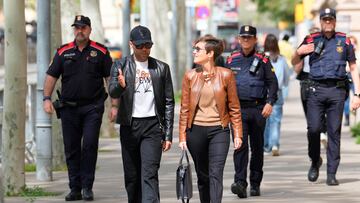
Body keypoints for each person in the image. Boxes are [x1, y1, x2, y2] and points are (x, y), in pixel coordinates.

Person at [43, 15, 113, 201]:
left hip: (93, 107)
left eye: (83, 27)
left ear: (90, 29)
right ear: (74, 30)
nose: (79, 31)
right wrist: (46, 98)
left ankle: (87, 187)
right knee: (72, 148)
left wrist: (114, 105)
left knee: (89, 146)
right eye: (77, 28)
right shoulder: (63, 52)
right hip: (69, 109)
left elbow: (110, 79)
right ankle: (75, 188)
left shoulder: (101, 52)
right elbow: (51, 76)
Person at [292, 8, 360, 186]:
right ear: (320, 22)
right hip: (316, 90)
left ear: (335, 21)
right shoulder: (311, 39)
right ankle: (315, 161)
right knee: (313, 129)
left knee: (334, 133)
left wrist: (357, 95)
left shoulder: (344, 40)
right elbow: (294, 62)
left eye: (330, 19)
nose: (327, 22)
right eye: (325, 19)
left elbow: (353, 68)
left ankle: (332, 173)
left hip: (337, 92)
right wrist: (298, 53)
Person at [108, 25, 175, 203]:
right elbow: (112, 93)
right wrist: (120, 86)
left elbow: (169, 102)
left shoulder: (162, 68)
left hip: (152, 127)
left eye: (148, 45)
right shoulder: (120, 65)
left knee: (149, 173)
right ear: (131, 44)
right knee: (132, 177)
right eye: (140, 46)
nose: (145, 49)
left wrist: (168, 134)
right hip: (129, 127)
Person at [178, 35, 242, 203]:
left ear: (210, 53)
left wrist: (237, 134)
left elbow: (234, 107)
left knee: (215, 174)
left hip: (219, 131)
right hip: (195, 132)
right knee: (203, 176)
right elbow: (184, 109)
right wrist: (182, 136)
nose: (194, 52)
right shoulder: (190, 76)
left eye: (198, 49)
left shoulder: (226, 75)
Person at [226, 25, 278, 198]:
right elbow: (224, 86)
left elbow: (273, 83)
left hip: (258, 109)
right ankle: (240, 182)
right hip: (238, 110)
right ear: (239, 39)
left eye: (249, 37)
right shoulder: (231, 59)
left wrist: (270, 103)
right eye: (243, 37)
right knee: (240, 146)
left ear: (255, 40)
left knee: (256, 148)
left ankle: (255, 183)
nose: (246, 40)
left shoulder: (263, 60)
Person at [294, 26, 329, 151]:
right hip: (312, 81)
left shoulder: (307, 45)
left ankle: (318, 133)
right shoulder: (323, 46)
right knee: (320, 110)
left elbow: (297, 67)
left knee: (312, 112)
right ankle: (321, 132)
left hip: (308, 81)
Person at [263, 34, 290, 156]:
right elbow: (286, 76)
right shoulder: (281, 59)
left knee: (265, 120)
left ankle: (266, 146)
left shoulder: (262, 58)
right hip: (277, 92)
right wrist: (284, 86)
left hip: (264, 92)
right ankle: (274, 144)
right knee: (276, 120)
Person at [343, 35, 358, 126]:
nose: (352, 45)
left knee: (357, 96)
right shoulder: (344, 53)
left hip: (356, 77)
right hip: (346, 76)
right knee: (346, 100)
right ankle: (347, 117)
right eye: (350, 43)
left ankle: (356, 118)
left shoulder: (359, 53)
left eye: (353, 43)